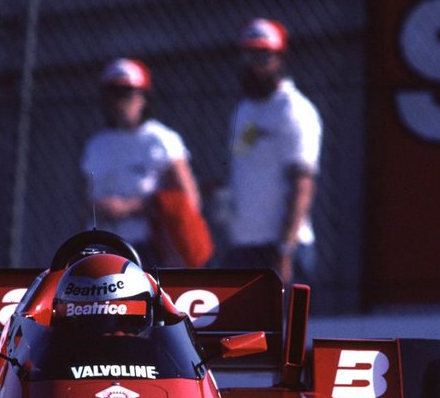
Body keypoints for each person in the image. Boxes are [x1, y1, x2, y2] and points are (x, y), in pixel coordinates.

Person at [225, 18, 323, 286]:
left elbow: (303, 183)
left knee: (287, 327)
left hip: (279, 247)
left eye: (263, 56)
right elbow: (243, 165)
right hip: (243, 244)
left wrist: (285, 250)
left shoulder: (294, 110)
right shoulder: (244, 110)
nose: (254, 65)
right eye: (248, 55)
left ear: (280, 59)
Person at [80, 58, 202, 268]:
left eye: (127, 94)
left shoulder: (160, 139)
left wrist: (128, 208)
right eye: (113, 94)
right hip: (104, 245)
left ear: (143, 97)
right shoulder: (97, 144)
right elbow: (84, 201)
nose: (119, 102)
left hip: (149, 247)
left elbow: (188, 200)